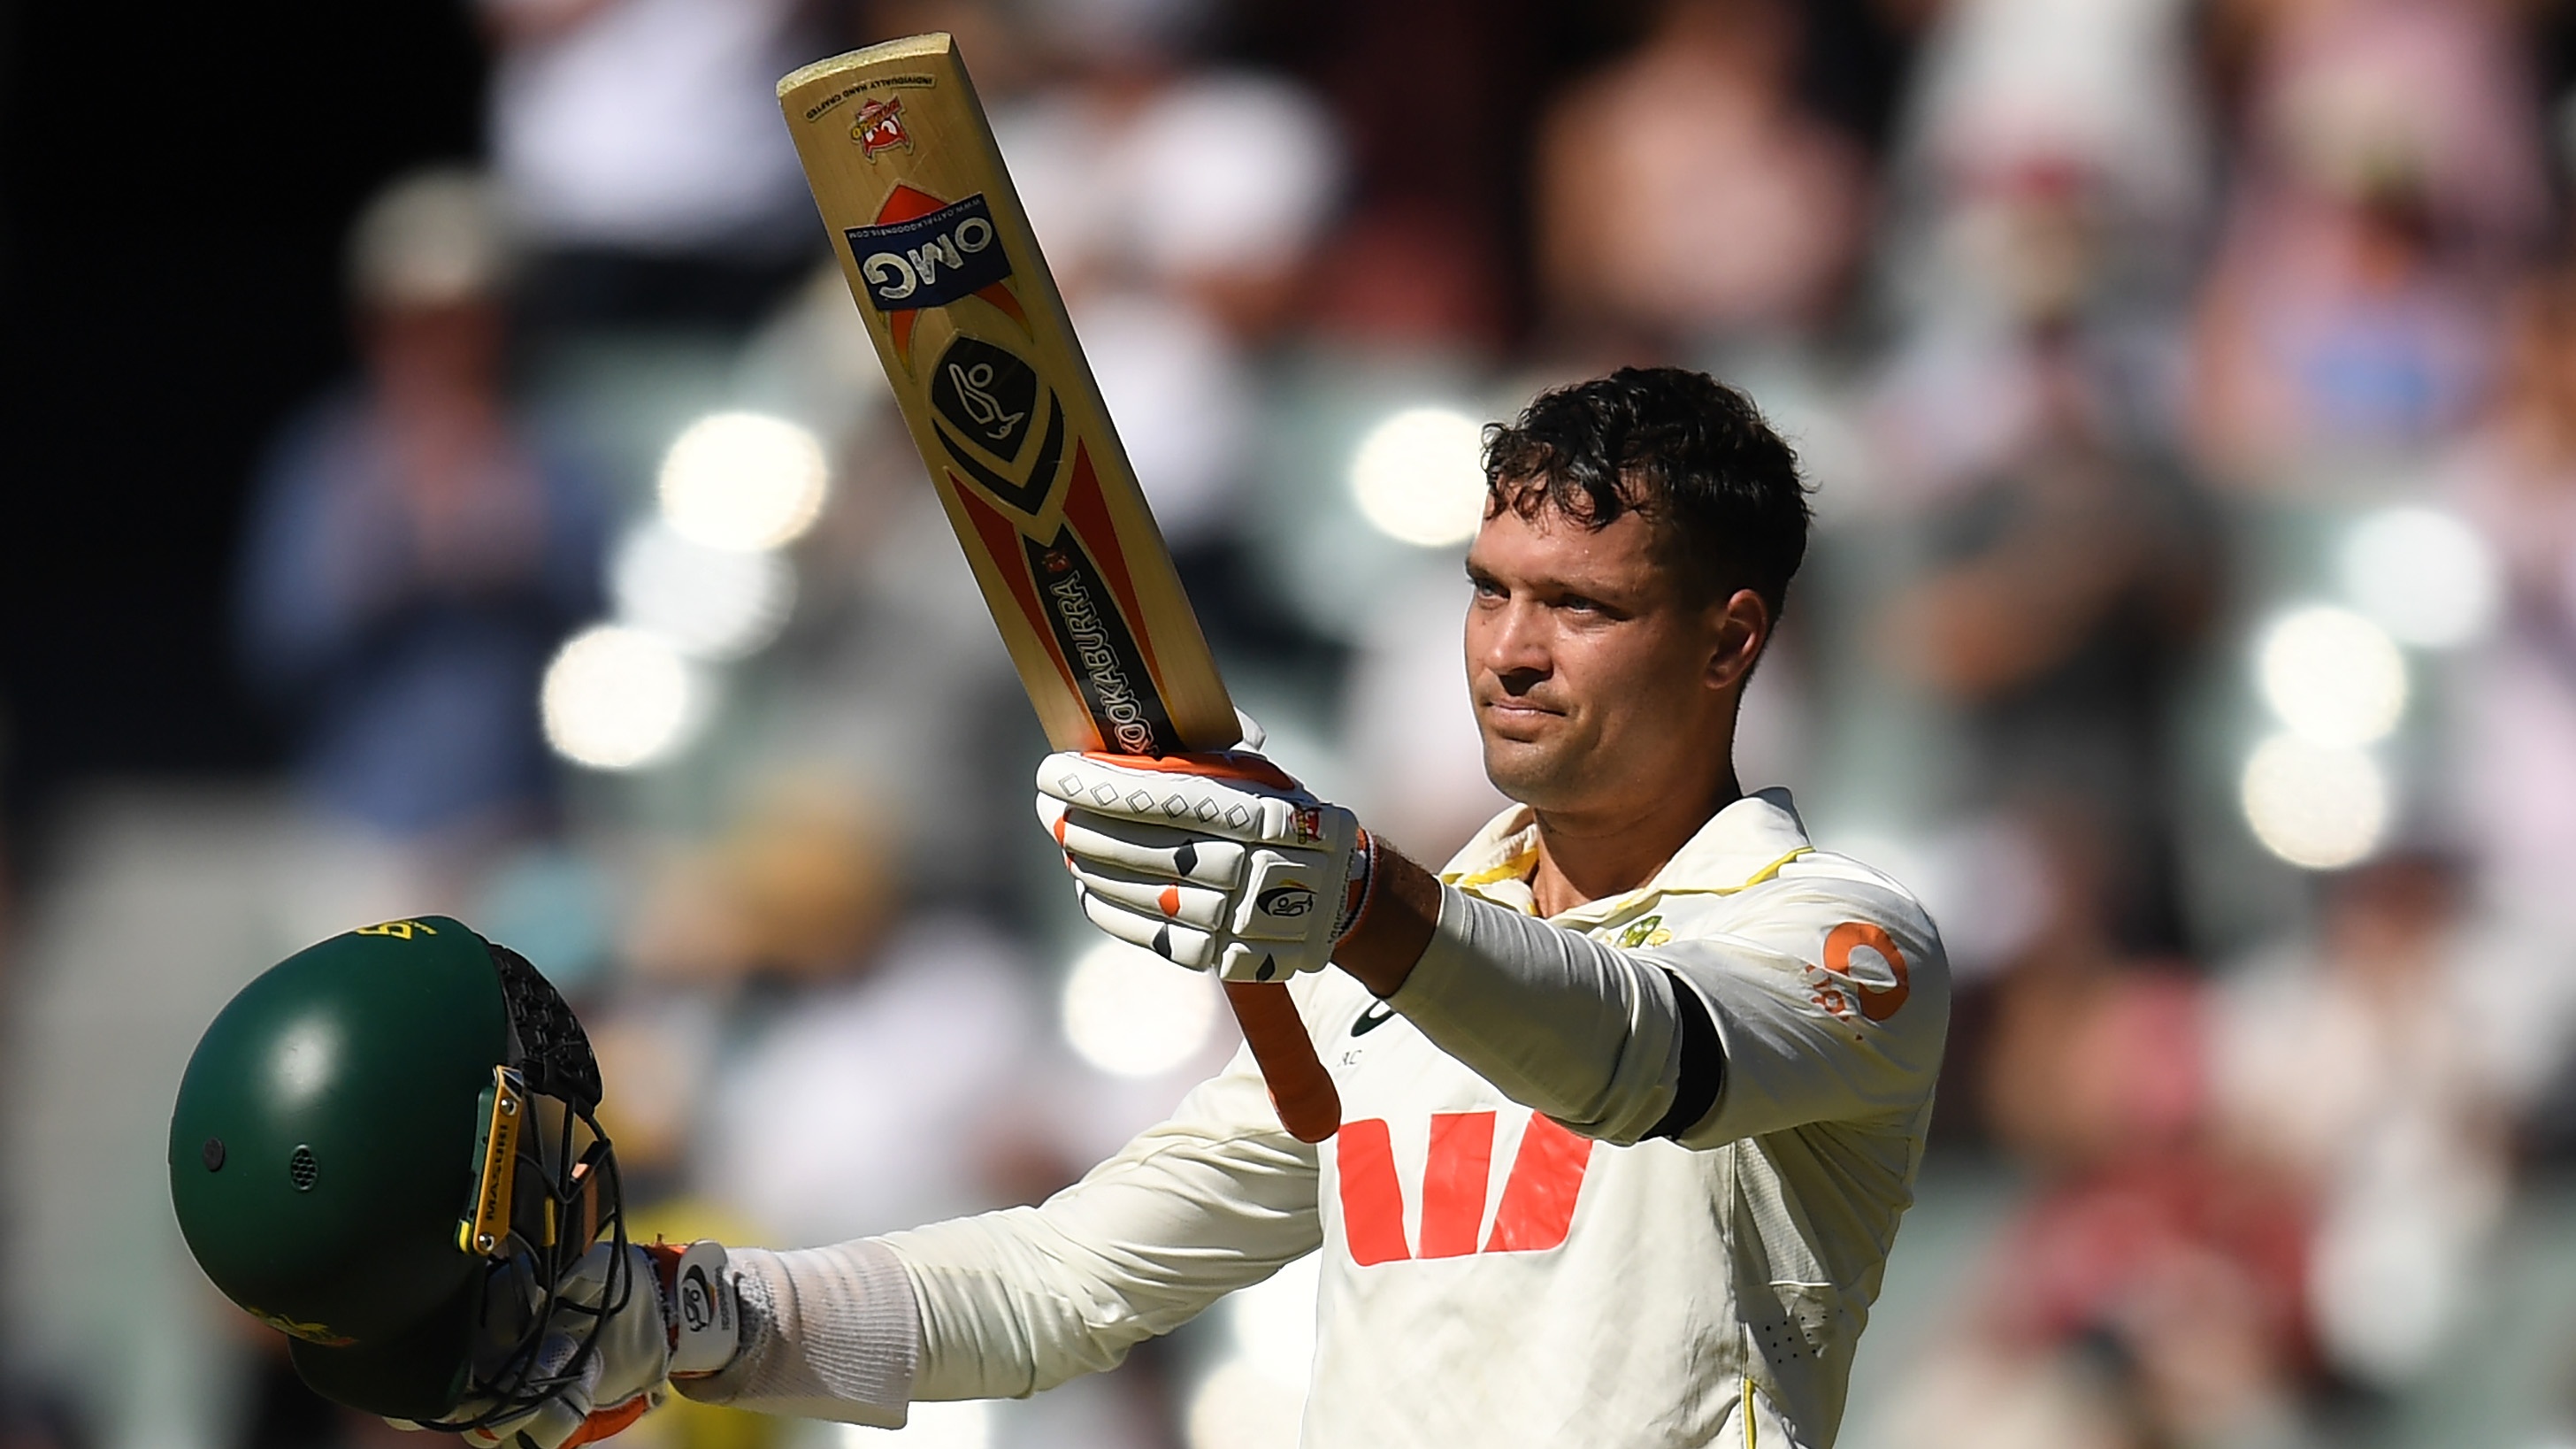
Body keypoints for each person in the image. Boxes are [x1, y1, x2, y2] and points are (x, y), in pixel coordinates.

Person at [334, 368, 1951, 1447]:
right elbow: (1063, 1280)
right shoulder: (1375, 982)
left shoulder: (1839, 942)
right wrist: (697, 1312)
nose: (1510, 650)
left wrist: (1349, 895)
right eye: (1487, 587)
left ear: (1732, 641)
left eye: (1581, 606)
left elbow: (1639, 1058)